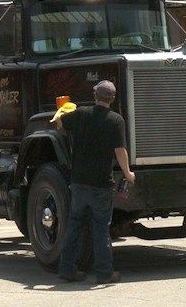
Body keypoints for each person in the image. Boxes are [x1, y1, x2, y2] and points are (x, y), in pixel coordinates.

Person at [53, 80, 135, 283]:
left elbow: (61, 124)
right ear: (113, 99)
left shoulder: (81, 113)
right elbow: (120, 151)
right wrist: (128, 173)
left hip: (79, 182)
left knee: (74, 227)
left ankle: (67, 269)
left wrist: (61, 111)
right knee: (100, 230)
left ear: (94, 95)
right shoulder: (116, 120)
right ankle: (104, 273)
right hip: (101, 184)